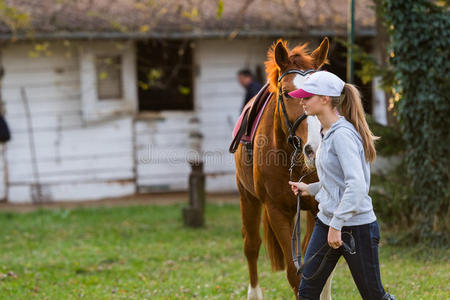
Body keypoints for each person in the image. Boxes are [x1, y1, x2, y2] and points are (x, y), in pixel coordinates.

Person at [287, 71, 396, 300]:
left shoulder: (343, 135)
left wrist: (337, 224)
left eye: (307, 96)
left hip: (356, 228)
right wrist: (311, 188)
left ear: (325, 99)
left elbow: (356, 185)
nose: (301, 101)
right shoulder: (325, 132)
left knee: (373, 295)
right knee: (306, 292)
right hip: (327, 222)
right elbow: (335, 180)